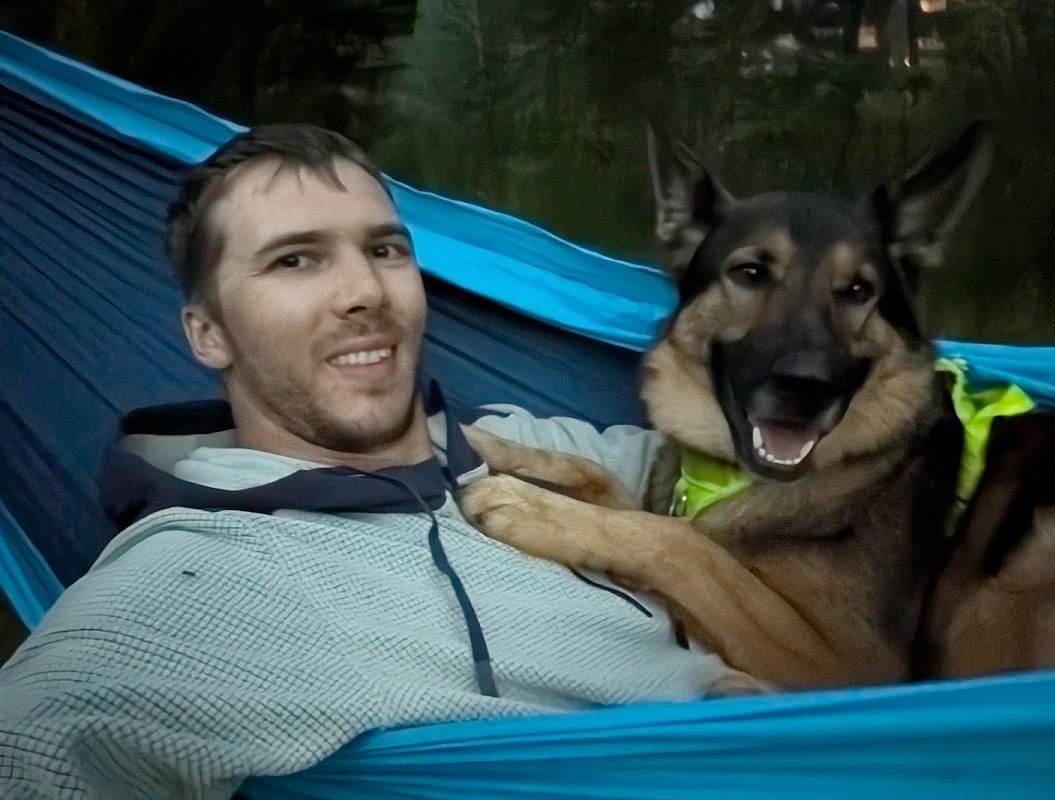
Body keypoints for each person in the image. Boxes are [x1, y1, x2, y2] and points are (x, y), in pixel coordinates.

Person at [0, 124, 732, 799]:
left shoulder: (539, 448)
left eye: (384, 250)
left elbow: (751, 473)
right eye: (295, 260)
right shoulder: (194, 583)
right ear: (208, 334)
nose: (366, 293)